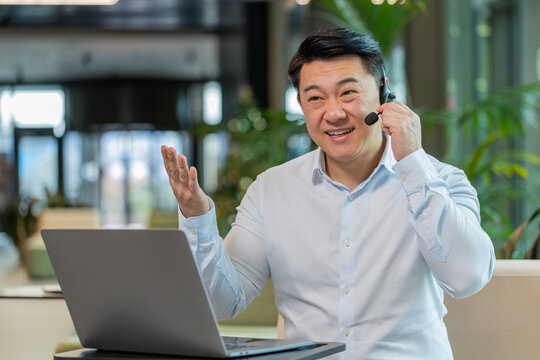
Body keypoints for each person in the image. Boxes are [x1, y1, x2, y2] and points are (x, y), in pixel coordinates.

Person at [161, 27, 495, 359]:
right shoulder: (271, 190)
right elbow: (223, 302)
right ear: (302, 105)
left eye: (348, 93)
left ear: (383, 93)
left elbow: (468, 278)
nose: (333, 113)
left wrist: (413, 165)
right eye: (316, 98)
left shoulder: (440, 180)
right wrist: (196, 216)